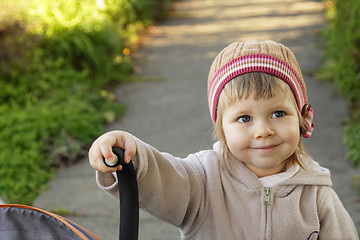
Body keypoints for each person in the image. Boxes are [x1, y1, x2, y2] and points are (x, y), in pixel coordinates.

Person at [89, 40, 358, 239]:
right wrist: (130, 155)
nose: (263, 130)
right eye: (244, 118)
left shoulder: (316, 195)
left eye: (278, 113)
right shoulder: (204, 181)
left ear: (301, 119)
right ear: (221, 127)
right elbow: (162, 180)